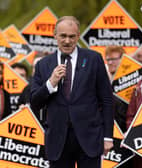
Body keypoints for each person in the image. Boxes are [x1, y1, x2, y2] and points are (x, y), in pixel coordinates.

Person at [30, 16, 114, 168]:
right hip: (57, 141)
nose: (67, 41)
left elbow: (107, 99)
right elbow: (35, 102)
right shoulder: (43, 65)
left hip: (89, 139)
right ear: (54, 35)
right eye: (63, 36)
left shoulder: (94, 59)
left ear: (78, 36)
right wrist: (51, 83)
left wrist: (108, 137)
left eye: (71, 36)